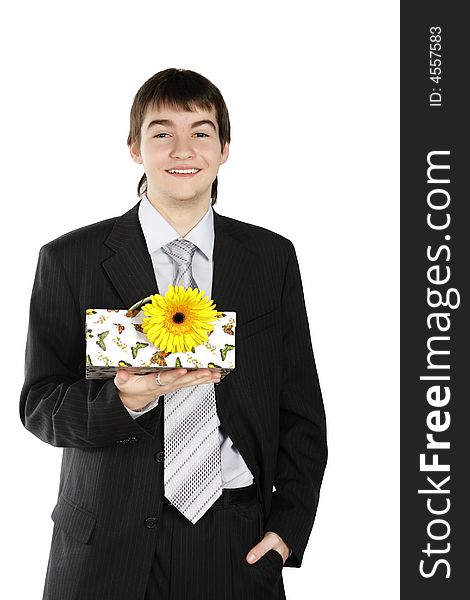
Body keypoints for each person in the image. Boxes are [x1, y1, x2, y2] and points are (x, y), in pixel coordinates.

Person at [20, 68, 327, 600]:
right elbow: (40, 405)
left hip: (236, 543)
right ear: (135, 148)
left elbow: (300, 409)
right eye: (162, 132)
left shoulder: (270, 259)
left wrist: (286, 530)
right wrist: (120, 399)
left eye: (201, 132)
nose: (182, 149)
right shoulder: (70, 260)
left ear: (224, 148)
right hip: (104, 548)